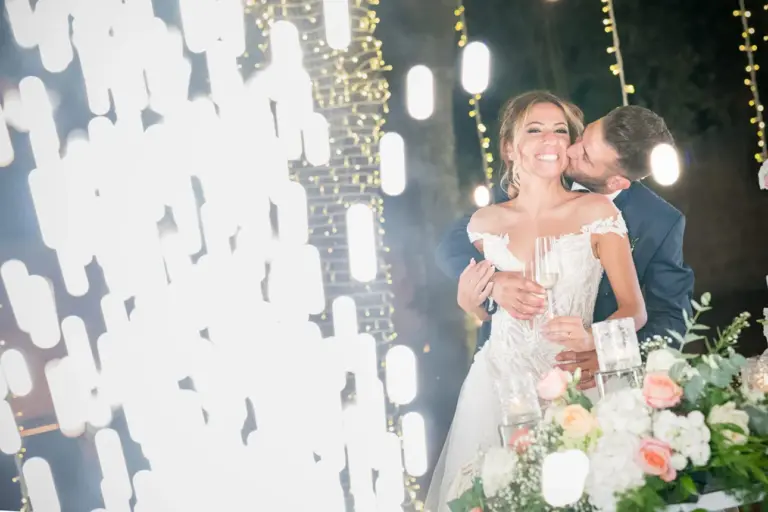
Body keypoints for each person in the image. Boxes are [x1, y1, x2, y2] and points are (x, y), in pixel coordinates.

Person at [425, 91, 648, 511]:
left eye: (560, 131)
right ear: (510, 148)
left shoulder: (597, 211)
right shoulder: (483, 224)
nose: (550, 140)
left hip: (574, 385)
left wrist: (593, 337)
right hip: (497, 387)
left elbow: (634, 310)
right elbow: (482, 313)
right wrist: (471, 300)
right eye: (535, 130)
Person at [435, 100, 694, 391]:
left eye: (584, 155)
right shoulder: (540, 172)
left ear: (618, 181)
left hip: (589, 384)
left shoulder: (659, 223)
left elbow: (672, 321)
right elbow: (453, 242)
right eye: (582, 136)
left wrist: (609, 353)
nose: (569, 149)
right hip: (506, 375)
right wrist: (490, 282)